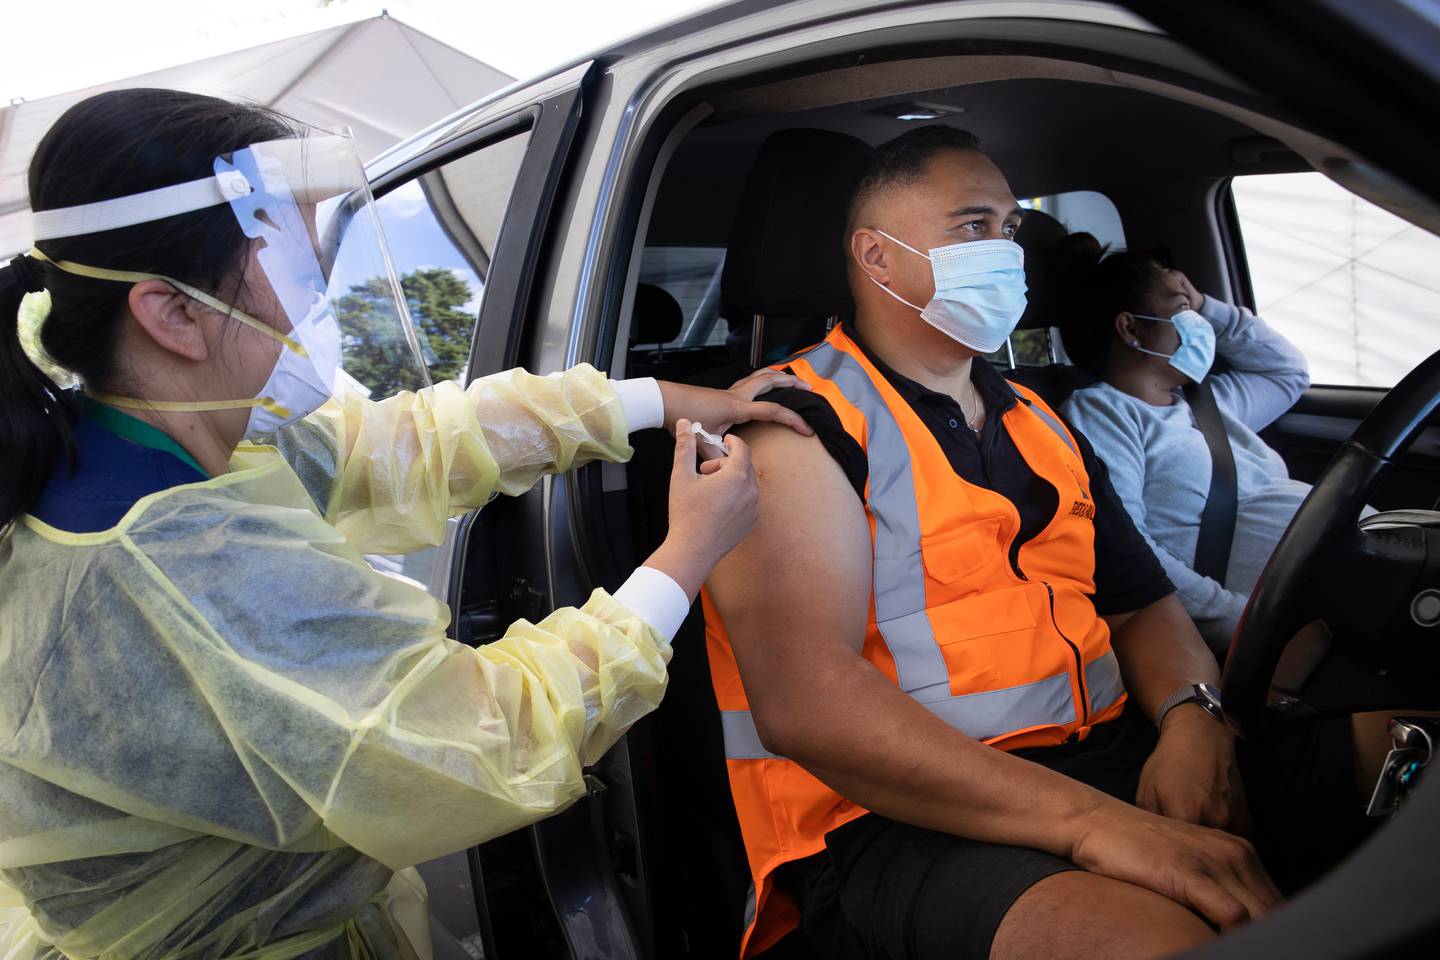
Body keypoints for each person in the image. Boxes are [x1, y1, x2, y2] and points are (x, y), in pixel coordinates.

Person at [0, 88, 813, 959]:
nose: (314, 302)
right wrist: (688, 550)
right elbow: (486, 739)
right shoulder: (173, 564)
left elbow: (416, 442)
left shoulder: (166, 452)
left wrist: (652, 399)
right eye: (296, 270)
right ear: (171, 315)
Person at [700, 126, 1361, 960]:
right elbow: (809, 704)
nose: (1007, 252)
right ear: (877, 257)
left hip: (1115, 753)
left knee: (1400, 751)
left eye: (1011, 229)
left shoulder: (1040, 418)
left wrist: (1194, 719)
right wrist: (1096, 826)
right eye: (973, 226)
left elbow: (1143, 606)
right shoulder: (788, 426)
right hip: (904, 818)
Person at [1053, 236, 1313, 652]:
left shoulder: (1209, 402)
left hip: (1332, 569)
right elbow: (1126, 544)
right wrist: (1236, 619)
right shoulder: (1103, 412)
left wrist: (1205, 304)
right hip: (1275, 624)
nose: (1199, 323)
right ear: (1131, 328)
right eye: (1182, 310)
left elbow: (1287, 371)